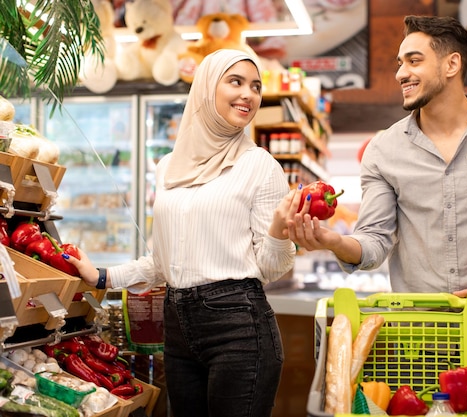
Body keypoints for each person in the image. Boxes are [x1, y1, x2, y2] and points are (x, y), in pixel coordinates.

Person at [287, 15, 467, 417]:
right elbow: (374, 241)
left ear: (451, 65)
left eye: (414, 60)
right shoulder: (384, 150)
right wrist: (335, 241)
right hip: (420, 348)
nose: (401, 73)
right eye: (399, 64)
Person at [65, 49, 299, 417]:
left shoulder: (260, 166)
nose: (249, 95)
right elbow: (162, 262)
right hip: (176, 325)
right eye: (235, 82)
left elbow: (271, 268)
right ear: (206, 89)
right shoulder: (168, 167)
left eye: (256, 86)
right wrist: (103, 277)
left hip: (239, 326)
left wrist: (279, 232)